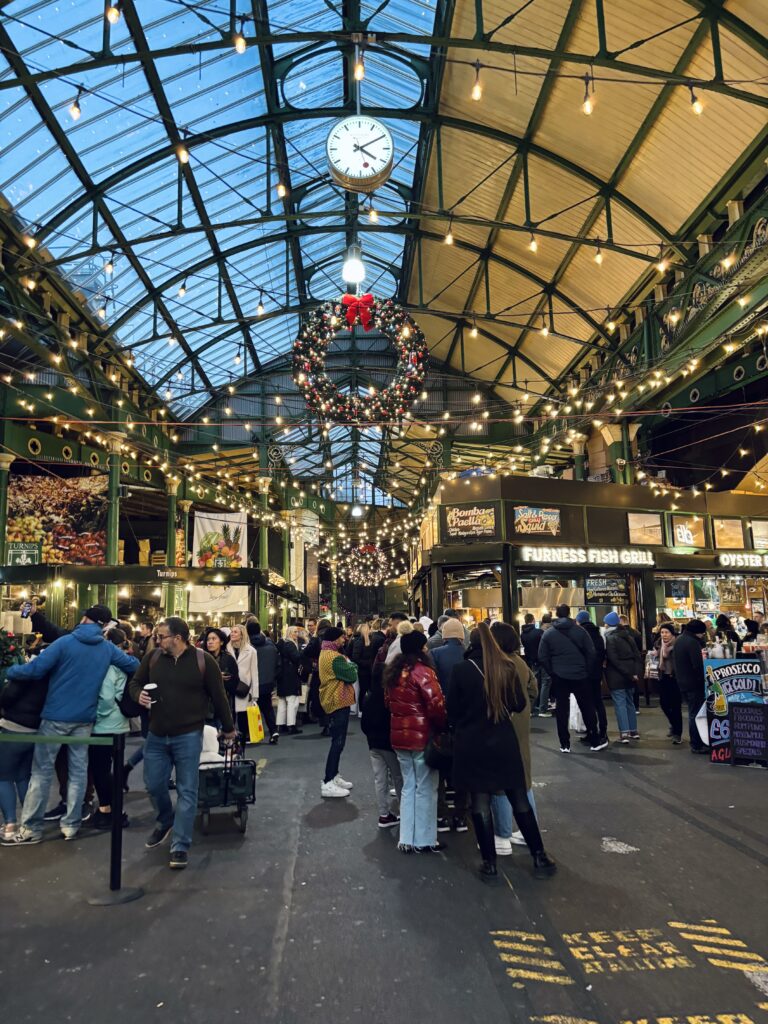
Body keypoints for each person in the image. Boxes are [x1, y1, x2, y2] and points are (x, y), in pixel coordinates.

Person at [2, 605, 138, 846]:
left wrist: (12, 671)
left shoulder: (64, 643)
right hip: (85, 719)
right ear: (103, 625)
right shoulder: (107, 649)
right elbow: (134, 665)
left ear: (84, 618)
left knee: (41, 772)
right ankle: (71, 826)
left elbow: (35, 670)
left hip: (55, 717)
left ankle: (31, 828)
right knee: (78, 773)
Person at [448, 622, 556, 882]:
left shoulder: (461, 670)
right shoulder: (506, 668)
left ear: (470, 644)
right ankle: (539, 855)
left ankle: (489, 863)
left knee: (481, 804)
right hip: (504, 742)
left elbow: (452, 710)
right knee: (519, 799)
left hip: (473, 743)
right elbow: (519, 703)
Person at [129, 617, 236, 869]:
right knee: (153, 785)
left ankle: (180, 845)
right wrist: (138, 695)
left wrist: (229, 729)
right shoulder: (153, 658)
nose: (156, 640)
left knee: (187, 790)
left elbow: (219, 696)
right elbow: (134, 683)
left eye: (161, 636)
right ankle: (165, 819)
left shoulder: (202, 661)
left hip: (188, 735)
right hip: (156, 735)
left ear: (178, 638)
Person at [385, 630, 446, 853]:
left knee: (408, 786)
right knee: (427, 787)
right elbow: (436, 705)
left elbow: (388, 703)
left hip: (399, 737)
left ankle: (406, 838)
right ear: (421, 649)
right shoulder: (424, 672)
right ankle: (424, 839)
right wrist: (441, 727)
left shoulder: (394, 673)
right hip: (422, 737)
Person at [488, 621, 540, 854]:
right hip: (521, 723)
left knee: (500, 781)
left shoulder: (496, 665)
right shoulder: (521, 663)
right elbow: (533, 690)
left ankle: (502, 833)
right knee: (524, 776)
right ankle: (531, 828)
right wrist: (525, 707)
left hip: (502, 723)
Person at [538, 603, 605, 753]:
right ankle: (594, 740)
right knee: (587, 707)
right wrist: (586, 670)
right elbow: (591, 653)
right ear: (569, 613)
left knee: (562, 709)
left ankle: (564, 744)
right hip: (580, 675)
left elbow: (542, 656)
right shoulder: (580, 631)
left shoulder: (549, 633)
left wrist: (552, 672)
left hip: (559, 676)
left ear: (557, 614)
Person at [0, 631, 46, 841]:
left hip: (13, 728)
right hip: (35, 731)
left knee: (3, 777)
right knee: (22, 777)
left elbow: (7, 698)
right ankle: (29, 824)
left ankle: (10, 824)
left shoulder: (24, 675)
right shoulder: (49, 679)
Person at [88, 627, 132, 830]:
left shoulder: (109, 665)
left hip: (105, 724)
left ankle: (108, 809)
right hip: (120, 723)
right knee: (110, 769)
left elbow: (105, 697)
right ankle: (115, 809)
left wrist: (95, 715)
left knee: (100, 770)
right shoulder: (123, 662)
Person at [360, 650, 403, 829]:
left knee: (380, 780)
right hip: (389, 744)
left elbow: (364, 724)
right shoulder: (390, 697)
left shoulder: (369, 697)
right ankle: (405, 812)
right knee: (399, 778)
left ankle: (384, 814)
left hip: (373, 745)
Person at [318, 626, 358, 798]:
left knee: (338, 740)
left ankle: (333, 776)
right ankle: (328, 780)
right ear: (335, 639)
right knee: (338, 741)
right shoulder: (336, 657)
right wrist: (352, 665)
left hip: (331, 698)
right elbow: (352, 675)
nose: (344, 640)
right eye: (342, 638)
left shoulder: (324, 653)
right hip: (338, 700)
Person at [603, 612, 642, 743]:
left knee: (620, 703)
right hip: (631, 674)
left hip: (616, 675)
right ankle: (633, 731)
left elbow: (614, 659)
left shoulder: (609, 638)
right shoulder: (628, 636)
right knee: (630, 702)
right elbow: (637, 656)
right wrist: (634, 673)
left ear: (608, 624)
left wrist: (626, 672)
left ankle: (624, 733)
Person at [672, 619, 709, 754]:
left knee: (692, 712)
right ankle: (697, 744)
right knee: (696, 713)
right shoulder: (692, 642)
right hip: (694, 683)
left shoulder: (680, 640)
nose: (703, 636)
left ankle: (697, 743)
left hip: (683, 681)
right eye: (702, 633)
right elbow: (697, 665)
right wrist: (703, 679)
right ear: (698, 632)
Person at [575, 612, 608, 743]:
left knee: (586, 705)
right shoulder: (598, 634)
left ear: (579, 621)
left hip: (584, 674)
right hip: (596, 673)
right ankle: (603, 731)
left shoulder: (580, 635)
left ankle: (591, 731)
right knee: (598, 703)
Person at [246, 619, 281, 745]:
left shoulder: (248, 647)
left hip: (252, 684)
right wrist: (272, 678)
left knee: (250, 709)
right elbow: (278, 664)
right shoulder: (270, 644)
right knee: (267, 708)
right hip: (268, 682)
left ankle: (251, 734)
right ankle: (273, 731)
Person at [227, 624, 259, 743]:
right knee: (230, 713)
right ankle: (231, 738)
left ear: (242, 635)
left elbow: (254, 672)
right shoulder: (226, 649)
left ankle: (243, 737)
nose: (232, 634)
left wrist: (254, 693)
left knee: (243, 715)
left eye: (235, 632)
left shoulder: (251, 651)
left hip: (244, 687)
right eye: (232, 632)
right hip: (230, 686)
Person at [654, 623, 682, 743]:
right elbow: (658, 657)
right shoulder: (659, 644)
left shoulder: (677, 644)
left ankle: (677, 733)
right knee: (664, 704)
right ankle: (673, 724)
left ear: (672, 633)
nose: (664, 635)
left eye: (666, 632)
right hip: (663, 676)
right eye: (662, 632)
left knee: (675, 706)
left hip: (674, 678)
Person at [205, 628, 240, 721]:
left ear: (221, 642)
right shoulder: (202, 658)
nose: (210, 642)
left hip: (224, 705)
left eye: (213, 639)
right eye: (208, 639)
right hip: (206, 707)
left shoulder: (229, 659)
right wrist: (216, 676)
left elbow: (234, 683)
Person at [276, 626, 303, 735]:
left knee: (282, 701)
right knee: (292, 701)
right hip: (291, 675)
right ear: (290, 633)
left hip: (282, 675)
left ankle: (280, 725)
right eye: (295, 632)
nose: (297, 634)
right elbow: (296, 657)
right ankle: (291, 725)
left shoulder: (281, 643)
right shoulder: (291, 644)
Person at [350, 622, 375, 717]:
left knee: (364, 690)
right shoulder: (361, 642)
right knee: (365, 690)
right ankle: (361, 709)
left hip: (365, 670)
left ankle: (362, 709)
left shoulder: (361, 641)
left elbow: (355, 657)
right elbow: (355, 657)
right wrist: (368, 663)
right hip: (364, 670)